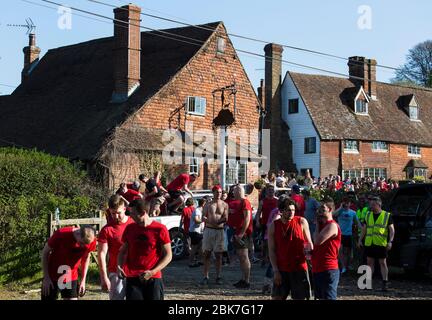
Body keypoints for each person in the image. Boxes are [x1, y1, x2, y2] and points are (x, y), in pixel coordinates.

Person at [117, 199, 172, 300]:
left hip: (153, 278)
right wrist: (119, 266)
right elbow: (122, 251)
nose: (130, 216)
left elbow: (168, 255)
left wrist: (152, 272)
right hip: (133, 277)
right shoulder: (130, 228)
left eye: (133, 213)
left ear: (143, 213)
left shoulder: (160, 229)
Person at [268, 198, 313, 300]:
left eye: (293, 210)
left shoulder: (301, 221)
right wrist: (275, 270)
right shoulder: (274, 226)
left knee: (301, 298)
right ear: (281, 211)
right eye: (288, 210)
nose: (291, 213)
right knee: (277, 298)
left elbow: (309, 243)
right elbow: (271, 250)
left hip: (299, 268)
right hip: (282, 268)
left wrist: (310, 259)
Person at [41, 225, 96, 300]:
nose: (83, 246)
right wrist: (46, 278)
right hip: (52, 275)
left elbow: (86, 257)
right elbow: (45, 253)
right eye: (81, 243)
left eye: (86, 244)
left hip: (70, 276)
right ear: (78, 233)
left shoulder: (90, 239)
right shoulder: (61, 234)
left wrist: (83, 280)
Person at [98, 195, 134, 300]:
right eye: (113, 213)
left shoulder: (134, 224)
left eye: (119, 213)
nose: (116, 216)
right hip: (116, 272)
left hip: (134, 271)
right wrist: (104, 277)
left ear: (124, 209)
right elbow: (101, 254)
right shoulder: (106, 230)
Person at [358, 196, 395, 291]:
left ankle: (385, 283)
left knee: (382, 263)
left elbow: (392, 230)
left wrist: (390, 241)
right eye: (370, 205)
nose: (371, 206)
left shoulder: (387, 215)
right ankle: (368, 283)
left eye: (373, 205)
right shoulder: (368, 215)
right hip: (369, 243)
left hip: (381, 243)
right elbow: (364, 229)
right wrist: (360, 240)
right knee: (369, 263)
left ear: (378, 205)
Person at [312, 198, 341, 300]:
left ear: (330, 209)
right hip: (318, 268)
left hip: (328, 269)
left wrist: (317, 225)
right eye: (319, 209)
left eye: (322, 209)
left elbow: (317, 241)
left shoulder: (332, 225)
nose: (319, 211)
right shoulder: (322, 225)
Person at [201, 185, 228, 285]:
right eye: (217, 192)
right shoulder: (208, 205)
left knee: (219, 255)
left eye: (220, 192)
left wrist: (217, 222)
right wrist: (208, 220)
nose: (219, 194)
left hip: (219, 231)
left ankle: (218, 276)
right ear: (213, 193)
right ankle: (205, 276)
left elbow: (225, 217)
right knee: (207, 253)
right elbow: (203, 216)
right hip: (209, 230)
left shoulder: (225, 204)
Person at [231, 184, 253, 289]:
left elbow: (247, 218)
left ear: (239, 192)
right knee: (241, 257)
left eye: (234, 192)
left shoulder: (245, 202)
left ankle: (247, 281)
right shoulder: (241, 203)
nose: (233, 194)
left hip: (243, 234)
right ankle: (243, 278)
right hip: (238, 232)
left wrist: (241, 233)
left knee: (244, 256)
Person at [333, 197, 361, 273]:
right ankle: (343, 266)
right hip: (340, 234)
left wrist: (361, 231)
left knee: (347, 252)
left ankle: (347, 265)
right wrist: (341, 207)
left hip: (349, 234)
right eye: (344, 202)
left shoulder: (353, 213)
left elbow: (357, 223)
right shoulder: (340, 211)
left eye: (347, 202)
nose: (346, 204)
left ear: (350, 204)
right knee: (340, 251)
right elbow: (333, 215)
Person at [255, 184, 278, 266]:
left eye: (272, 190)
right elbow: (258, 213)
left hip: (275, 224)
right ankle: (264, 258)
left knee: (274, 242)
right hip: (265, 224)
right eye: (269, 190)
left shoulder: (277, 201)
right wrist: (257, 221)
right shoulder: (262, 201)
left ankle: (271, 259)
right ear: (266, 191)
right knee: (265, 243)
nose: (271, 191)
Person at [189, 198, 206, 268]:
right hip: (195, 232)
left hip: (199, 232)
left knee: (201, 247)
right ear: (203, 204)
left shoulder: (201, 210)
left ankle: (200, 261)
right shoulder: (197, 211)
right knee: (194, 248)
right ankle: (191, 263)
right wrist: (203, 220)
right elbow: (196, 220)